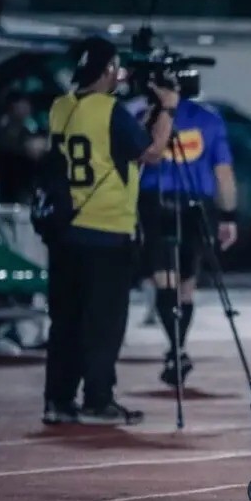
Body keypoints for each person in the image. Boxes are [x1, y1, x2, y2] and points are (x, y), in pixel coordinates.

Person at [42, 35, 178, 425]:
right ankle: (98, 399)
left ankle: (58, 399)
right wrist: (166, 108)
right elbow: (150, 153)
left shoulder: (60, 107)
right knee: (102, 323)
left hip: (65, 229)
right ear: (105, 72)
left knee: (65, 320)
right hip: (106, 228)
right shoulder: (109, 111)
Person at [134, 89, 238, 386]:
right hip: (196, 203)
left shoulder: (143, 114)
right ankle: (179, 347)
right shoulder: (209, 119)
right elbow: (223, 172)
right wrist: (228, 215)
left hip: (154, 200)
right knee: (186, 283)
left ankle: (174, 347)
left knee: (164, 278)